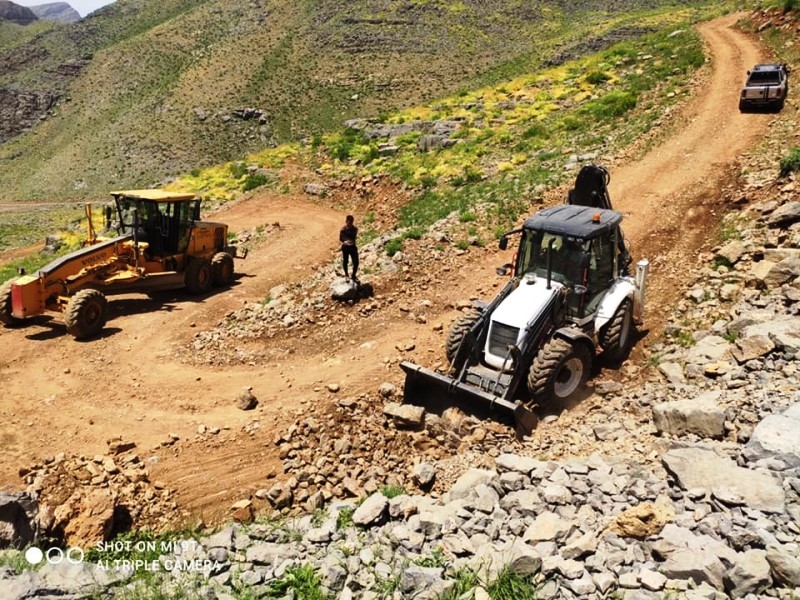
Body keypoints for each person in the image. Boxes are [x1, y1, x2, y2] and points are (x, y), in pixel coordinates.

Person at [339, 214, 359, 282]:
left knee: (356, 262)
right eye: (349, 222)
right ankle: (346, 275)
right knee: (345, 261)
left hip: (353, 247)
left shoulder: (355, 229)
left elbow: (354, 237)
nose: (350, 223)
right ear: (346, 221)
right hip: (346, 247)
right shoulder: (343, 230)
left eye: (351, 222)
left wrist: (350, 241)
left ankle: (353, 275)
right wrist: (346, 241)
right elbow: (341, 239)